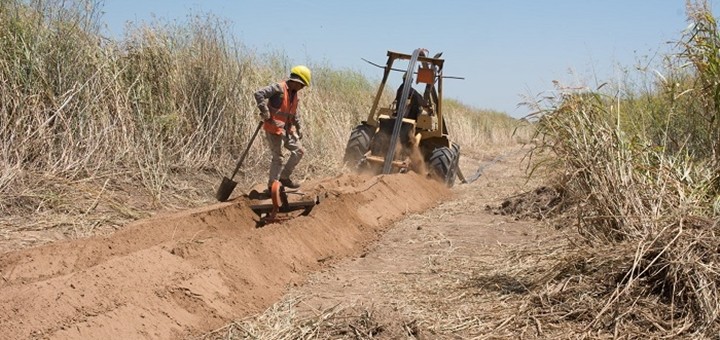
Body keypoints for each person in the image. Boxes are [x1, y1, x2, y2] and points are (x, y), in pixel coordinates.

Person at [254, 65, 311, 190]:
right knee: (278, 157)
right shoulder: (278, 88)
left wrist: (299, 127)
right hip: (273, 128)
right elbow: (259, 94)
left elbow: (293, 113)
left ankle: (284, 178)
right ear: (296, 81)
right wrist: (264, 110)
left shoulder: (295, 95)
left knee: (299, 151)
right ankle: (272, 188)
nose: (302, 88)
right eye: (302, 85)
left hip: (286, 129)